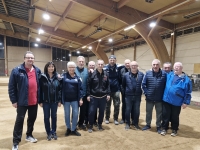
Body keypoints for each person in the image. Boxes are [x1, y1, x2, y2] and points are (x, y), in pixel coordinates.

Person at [8, 51, 41, 150]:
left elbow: (42, 84)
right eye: (28, 58)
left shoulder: (37, 70)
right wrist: (14, 100)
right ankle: (16, 141)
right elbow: (11, 86)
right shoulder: (17, 70)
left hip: (34, 101)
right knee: (19, 120)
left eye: (32, 58)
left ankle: (29, 135)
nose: (30, 59)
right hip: (22, 101)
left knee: (32, 119)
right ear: (24, 59)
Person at [161, 62, 192, 137]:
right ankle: (164, 128)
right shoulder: (170, 75)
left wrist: (186, 102)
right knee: (165, 115)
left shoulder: (186, 80)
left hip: (177, 102)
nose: (176, 68)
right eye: (175, 67)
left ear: (181, 68)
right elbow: (162, 71)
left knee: (175, 116)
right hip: (166, 100)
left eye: (178, 67)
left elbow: (188, 93)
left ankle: (174, 129)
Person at [142, 59, 166, 134]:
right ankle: (148, 125)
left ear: (160, 65)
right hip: (149, 98)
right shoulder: (148, 73)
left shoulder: (164, 74)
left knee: (159, 113)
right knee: (148, 112)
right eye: (154, 64)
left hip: (159, 98)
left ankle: (158, 126)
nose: (155, 66)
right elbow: (143, 84)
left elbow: (166, 86)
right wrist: (146, 93)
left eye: (157, 64)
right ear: (151, 65)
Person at [39, 62, 62, 141]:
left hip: (55, 101)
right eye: (49, 67)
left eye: (52, 67)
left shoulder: (58, 77)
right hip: (45, 101)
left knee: (54, 117)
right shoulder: (42, 77)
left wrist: (59, 100)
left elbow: (59, 90)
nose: (51, 68)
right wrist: (40, 101)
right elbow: (40, 90)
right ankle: (48, 132)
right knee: (46, 117)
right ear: (46, 68)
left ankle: (54, 131)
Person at [87, 60, 110, 133]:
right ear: (96, 65)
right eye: (99, 64)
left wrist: (108, 94)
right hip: (93, 97)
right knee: (91, 112)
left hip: (103, 97)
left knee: (102, 112)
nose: (100, 65)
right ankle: (90, 125)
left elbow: (108, 85)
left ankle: (99, 124)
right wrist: (88, 95)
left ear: (103, 65)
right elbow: (88, 85)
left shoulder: (106, 74)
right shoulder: (92, 74)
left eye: (102, 64)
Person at [62, 61, 83, 136]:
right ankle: (68, 128)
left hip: (75, 100)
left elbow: (81, 89)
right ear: (67, 68)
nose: (71, 68)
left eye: (73, 67)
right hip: (66, 100)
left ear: (75, 68)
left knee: (76, 114)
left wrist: (80, 99)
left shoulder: (78, 77)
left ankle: (73, 129)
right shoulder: (63, 76)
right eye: (70, 67)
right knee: (67, 114)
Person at [122, 61, 144, 130]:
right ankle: (127, 123)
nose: (134, 67)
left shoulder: (141, 75)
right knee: (128, 110)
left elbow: (144, 84)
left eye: (135, 65)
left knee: (136, 110)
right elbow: (123, 85)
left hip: (137, 96)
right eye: (132, 65)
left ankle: (136, 123)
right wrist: (125, 93)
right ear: (130, 66)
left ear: (137, 66)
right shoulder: (126, 75)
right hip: (128, 96)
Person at [105, 55, 121, 125]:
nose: (112, 61)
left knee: (117, 105)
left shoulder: (119, 68)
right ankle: (107, 118)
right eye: (111, 60)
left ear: (116, 60)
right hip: (107, 90)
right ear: (108, 60)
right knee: (107, 105)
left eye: (113, 60)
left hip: (116, 90)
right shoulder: (105, 68)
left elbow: (127, 66)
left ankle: (116, 119)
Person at [75, 56, 88, 130]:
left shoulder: (87, 71)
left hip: (84, 94)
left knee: (83, 111)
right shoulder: (73, 70)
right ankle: (74, 123)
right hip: (75, 95)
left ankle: (81, 123)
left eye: (82, 61)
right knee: (75, 111)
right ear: (77, 62)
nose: (81, 63)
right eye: (80, 61)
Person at [85, 61, 97, 126]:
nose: (91, 66)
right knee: (86, 108)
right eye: (90, 65)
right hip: (86, 93)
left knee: (94, 109)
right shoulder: (85, 72)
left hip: (94, 94)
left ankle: (94, 121)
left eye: (93, 65)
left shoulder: (96, 73)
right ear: (88, 66)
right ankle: (86, 121)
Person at [119, 59, 131, 124]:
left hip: (132, 92)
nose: (127, 64)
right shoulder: (121, 71)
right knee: (124, 105)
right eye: (126, 63)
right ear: (124, 64)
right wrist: (122, 90)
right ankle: (123, 119)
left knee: (132, 106)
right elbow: (120, 81)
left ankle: (131, 119)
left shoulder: (134, 70)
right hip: (124, 92)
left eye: (128, 63)